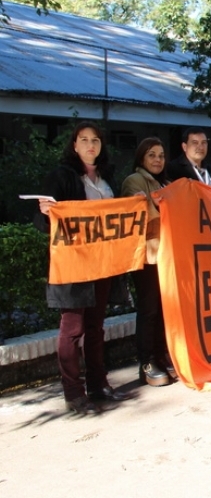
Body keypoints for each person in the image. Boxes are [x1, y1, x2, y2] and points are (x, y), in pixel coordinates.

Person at [36, 121, 132, 414]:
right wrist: (46, 213)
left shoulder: (107, 179)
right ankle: (73, 393)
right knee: (73, 329)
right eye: (84, 139)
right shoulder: (61, 176)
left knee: (95, 327)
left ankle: (98, 384)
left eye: (96, 140)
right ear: (74, 145)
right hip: (74, 265)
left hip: (103, 263)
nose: (91, 145)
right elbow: (43, 223)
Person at [121, 138, 174, 387]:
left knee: (165, 309)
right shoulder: (134, 181)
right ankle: (147, 363)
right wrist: (159, 205)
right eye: (152, 155)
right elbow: (142, 218)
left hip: (167, 255)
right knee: (149, 309)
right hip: (147, 256)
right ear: (142, 157)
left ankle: (162, 355)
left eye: (161, 155)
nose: (157, 160)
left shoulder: (166, 183)